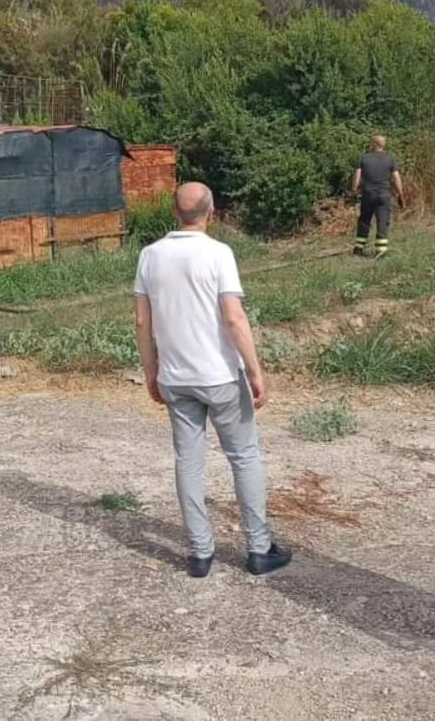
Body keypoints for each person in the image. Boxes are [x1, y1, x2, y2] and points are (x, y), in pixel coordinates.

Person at [134, 182, 291, 578]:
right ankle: (259, 548)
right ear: (212, 211)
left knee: (188, 461)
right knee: (244, 457)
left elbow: (142, 320)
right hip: (219, 375)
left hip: (176, 376)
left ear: (174, 211)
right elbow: (233, 318)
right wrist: (255, 371)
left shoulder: (149, 256)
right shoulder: (219, 253)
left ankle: (200, 554)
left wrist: (151, 371)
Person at [352, 135, 404, 258]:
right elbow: (396, 177)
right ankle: (381, 251)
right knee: (383, 221)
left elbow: (357, 176)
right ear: (383, 145)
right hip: (384, 195)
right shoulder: (390, 159)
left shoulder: (363, 158)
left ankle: (358, 249)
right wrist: (400, 194)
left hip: (368, 194)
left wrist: (354, 190)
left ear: (373, 143)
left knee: (364, 220)